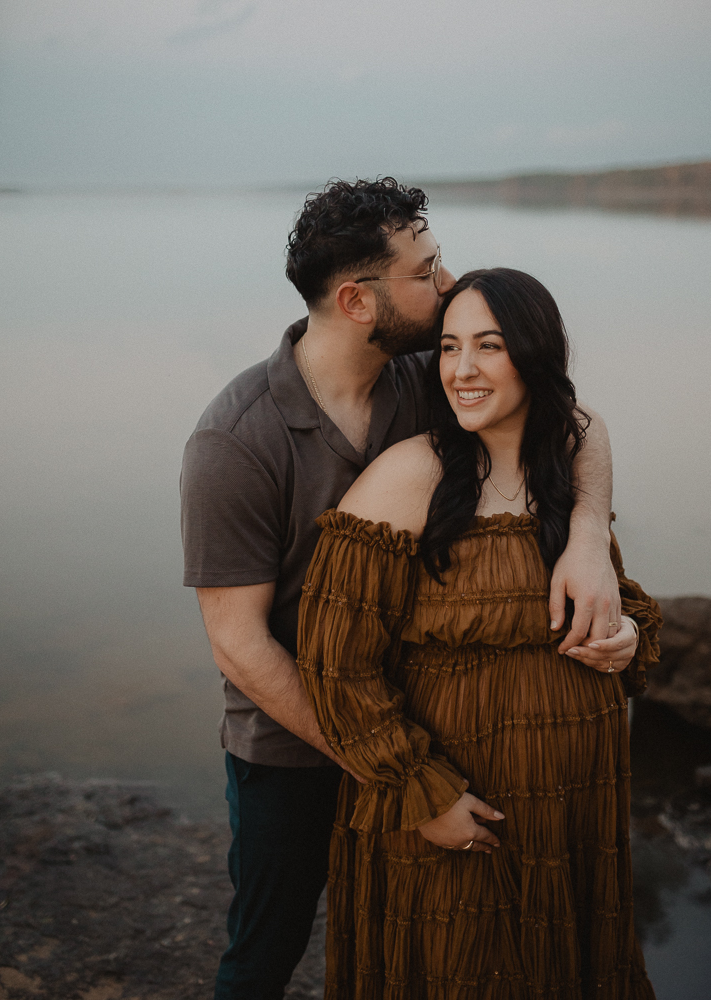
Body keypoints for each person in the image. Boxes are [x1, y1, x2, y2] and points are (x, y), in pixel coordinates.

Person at [180, 180, 622, 1000]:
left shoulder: (429, 375)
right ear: (357, 299)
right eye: (425, 272)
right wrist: (396, 776)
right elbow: (239, 644)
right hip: (292, 744)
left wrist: (590, 536)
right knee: (266, 948)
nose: (446, 282)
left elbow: (574, 422)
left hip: (419, 719)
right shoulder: (235, 441)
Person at [297, 267, 661, 1000]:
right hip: (459, 810)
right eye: (451, 346)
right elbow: (335, 665)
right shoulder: (408, 478)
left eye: (488, 347)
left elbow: (621, 609)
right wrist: (424, 796)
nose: (461, 370)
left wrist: (625, 638)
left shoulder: (566, 478)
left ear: (534, 355)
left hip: (571, 811)